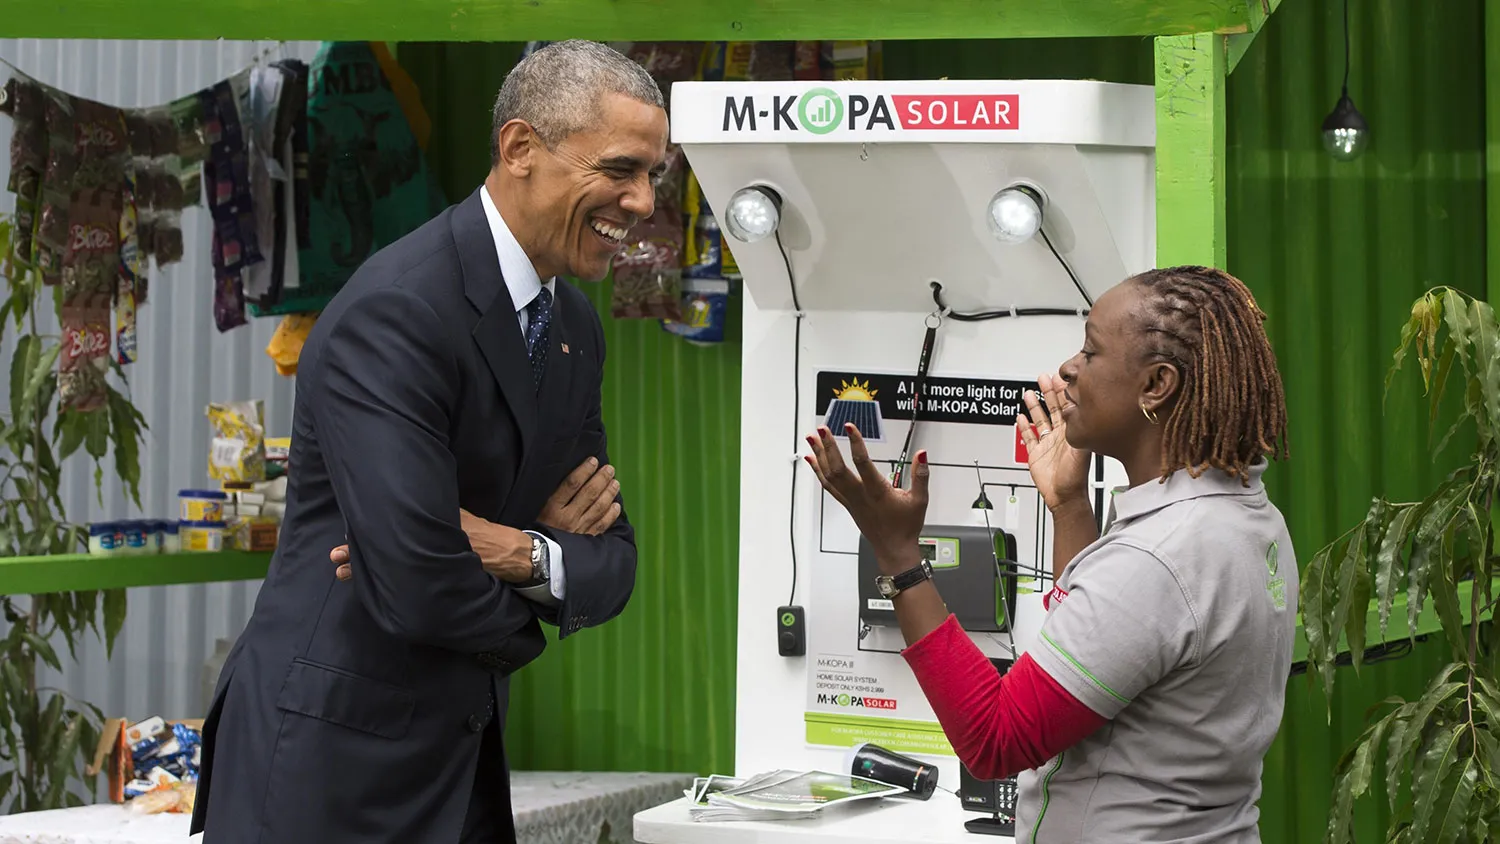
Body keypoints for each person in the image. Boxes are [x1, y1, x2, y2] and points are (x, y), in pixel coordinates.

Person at [190, 40, 667, 844]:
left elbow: (612, 559)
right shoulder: (400, 310)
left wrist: (516, 553)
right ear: (520, 148)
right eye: (621, 169)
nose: (645, 201)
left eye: (655, 174)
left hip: (460, 765)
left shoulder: (574, 327)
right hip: (331, 770)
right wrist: (541, 582)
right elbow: (416, 577)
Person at [805, 265, 1295, 843]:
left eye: (1091, 351)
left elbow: (995, 740)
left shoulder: (1160, 557)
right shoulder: (1242, 517)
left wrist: (897, 555)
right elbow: (1099, 657)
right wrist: (1068, 507)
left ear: (1155, 384)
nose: (1068, 367)